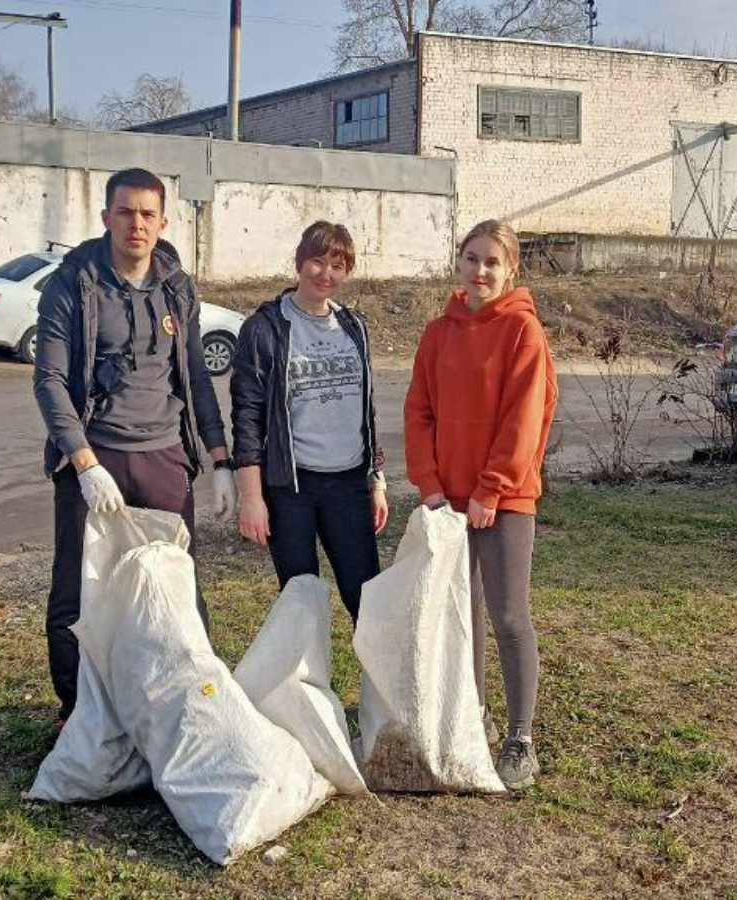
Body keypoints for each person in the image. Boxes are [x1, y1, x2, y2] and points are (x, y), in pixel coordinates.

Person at [33, 167, 237, 724]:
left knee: (175, 587)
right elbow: (49, 380)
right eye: (125, 212)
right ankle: (78, 716)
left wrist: (220, 458)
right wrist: (83, 463)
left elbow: (195, 376)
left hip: (164, 456)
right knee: (79, 591)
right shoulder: (73, 285)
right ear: (106, 218)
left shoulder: (177, 288)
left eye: (148, 214)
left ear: (163, 222)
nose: (136, 224)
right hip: (95, 459)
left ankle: (187, 707)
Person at [404, 219, 558, 790]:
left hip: (505, 497)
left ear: (510, 269)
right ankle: (475, 717)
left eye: (493, 262)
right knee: (461, 615)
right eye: (472, 258)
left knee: (509, 615)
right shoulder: (437, 333)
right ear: (459, 262)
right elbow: (419, 411)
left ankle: (520, 738)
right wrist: (430, 484)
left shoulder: (523, 331)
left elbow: (524, 418)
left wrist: (492, 488)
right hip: (448, 498)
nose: (480, 271)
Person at [230, 221, 388, 622]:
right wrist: (252, 498)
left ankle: (377, 667)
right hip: (292, 488)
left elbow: (365, 409)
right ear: (299, 262)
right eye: (317, 261)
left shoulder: (354, 327)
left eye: (338, 266)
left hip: (349, 484)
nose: (326, 274)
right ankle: (305, 666)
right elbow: (247, 418)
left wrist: (376, 480)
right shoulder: (265, 328)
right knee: (300, 604)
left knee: (368, 601)